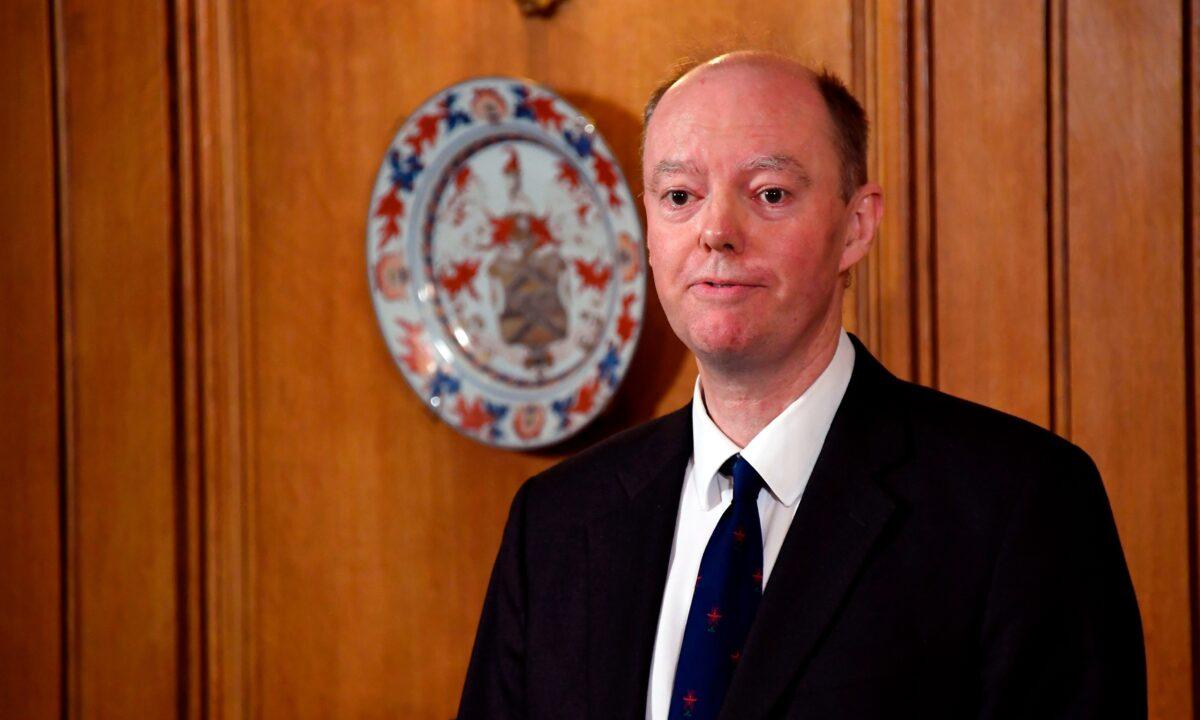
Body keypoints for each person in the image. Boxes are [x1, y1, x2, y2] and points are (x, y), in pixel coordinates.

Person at [457, 51, 1146, 719]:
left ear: (855, 226)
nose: (716, 232)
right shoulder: (554, 524)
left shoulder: (1020, 506)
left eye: (770, 194)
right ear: (647, 227)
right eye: (679, 196)